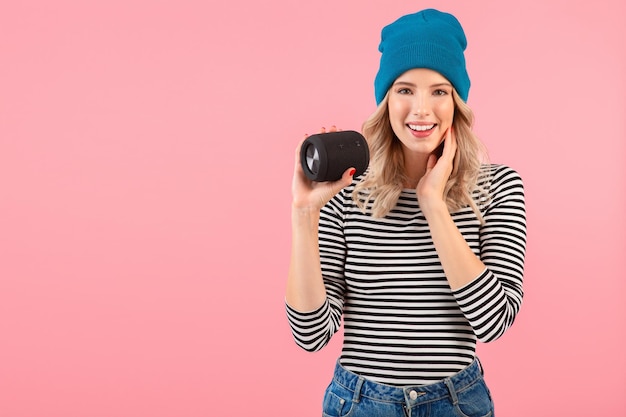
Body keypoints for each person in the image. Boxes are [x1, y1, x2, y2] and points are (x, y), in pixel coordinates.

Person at [286, 8, 526, 417]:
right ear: (385, 99)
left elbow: (494, 321)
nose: (421, 110)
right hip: (360, 404)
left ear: (457, 101)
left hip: (456, 403)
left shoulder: (497, 186)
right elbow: (310, 334)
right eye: (404, 90)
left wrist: (434, 205)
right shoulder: (346, 192)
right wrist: (305, 215)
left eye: (438, 91)